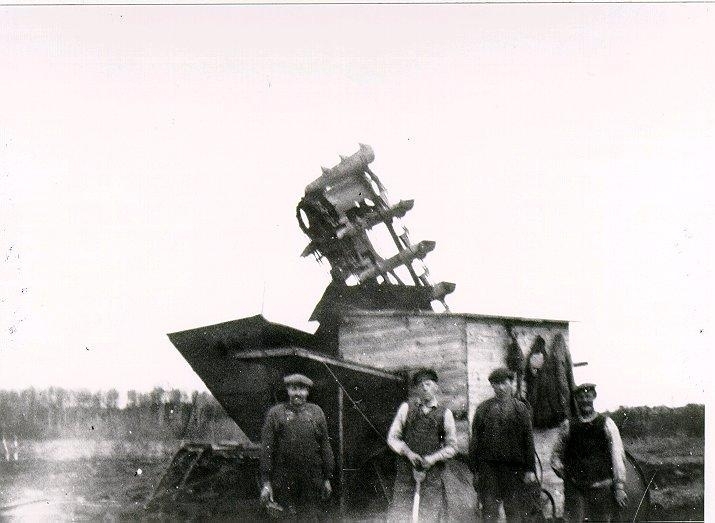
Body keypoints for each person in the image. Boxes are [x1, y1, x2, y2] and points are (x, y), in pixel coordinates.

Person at [260, 373, 334, 521]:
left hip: (311, 480)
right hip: (283, 480)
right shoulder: (276, 413)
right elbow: (267, 449)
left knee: (309, 518)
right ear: (288, 390)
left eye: (301, 389)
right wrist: (267, 483)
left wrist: (327, 478)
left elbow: (325, 446)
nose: (297, 393)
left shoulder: (316, 412)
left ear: (307, 392)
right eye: (293, 389)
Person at [386, 368, 458, 522]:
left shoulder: (445, 414)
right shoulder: (406, 409)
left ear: (435, 387)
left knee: (428, 516)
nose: (424, 388)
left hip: (431, 477)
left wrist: (432, 458)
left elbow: (452, 447)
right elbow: (393, 438)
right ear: (417, 389)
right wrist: (408, 453)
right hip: (406, 474)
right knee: (400, 515)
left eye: (428, 384)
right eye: (420, 385)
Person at [550, 383, 628, 522]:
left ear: (594, 397)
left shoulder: (606, 424)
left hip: (602, 488)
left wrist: (619, 487)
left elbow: (617, 455)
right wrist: (567, 474)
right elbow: (555, 456)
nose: (585, 400)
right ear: (576, 400)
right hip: (576, 490)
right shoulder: (568, 425)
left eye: (588, 396)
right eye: (580, 397)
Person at [468, 367, 538, 520]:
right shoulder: (483, 409)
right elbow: (475, 441)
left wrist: (530, 469)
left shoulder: (520, 408)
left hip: (514, 470)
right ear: (492, 386)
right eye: (496, 384)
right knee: (489, 512)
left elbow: (528, 440)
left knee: (514, 512)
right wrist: (475, 470)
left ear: (511, 383)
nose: (500, 387)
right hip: (489, 470)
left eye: (504, 383)